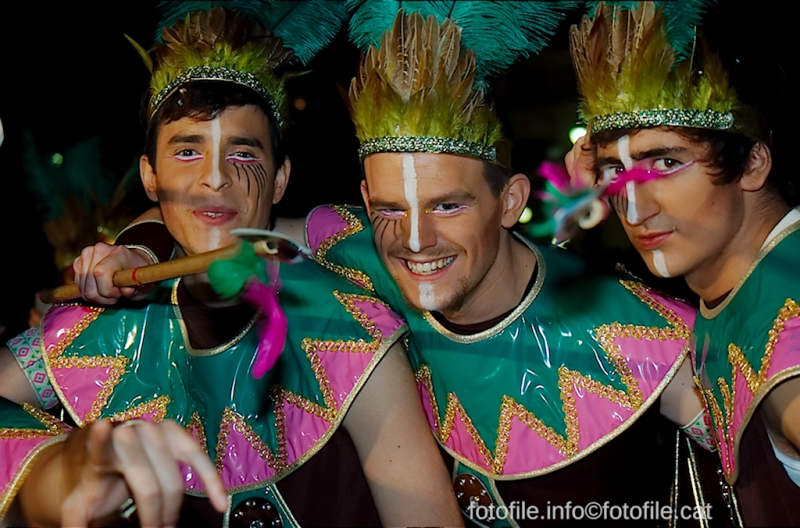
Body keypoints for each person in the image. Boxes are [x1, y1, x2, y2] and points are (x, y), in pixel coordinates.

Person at [66, 4, 713, 526]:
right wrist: (138, 247)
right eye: (389, 209)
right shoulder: (363, 250)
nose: (416, 241)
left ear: (512, 201)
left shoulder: (645, 334)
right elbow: (219, 220)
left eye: (449, 205)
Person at [0, 5, 460, 527]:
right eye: (187, 152)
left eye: (243, 154)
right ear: (150, 177)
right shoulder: (103, 317)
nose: (216, 178)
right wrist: (55, 470)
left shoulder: (348, 331)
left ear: (280, 179)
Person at [565, 2, 800, 525]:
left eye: (666, 163)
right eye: (615, 172)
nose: (634, 209)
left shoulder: (785, 326)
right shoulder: (744, 289)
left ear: (752, 162)